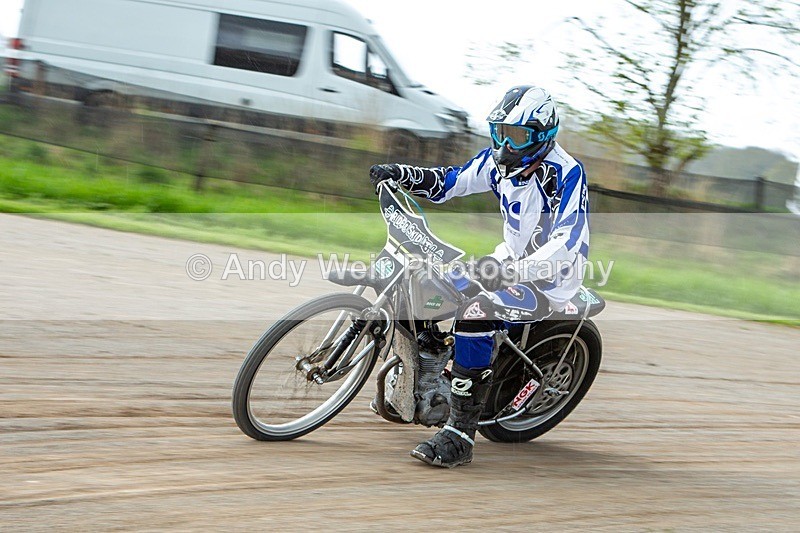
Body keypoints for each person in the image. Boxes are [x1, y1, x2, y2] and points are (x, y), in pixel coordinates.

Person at [369, 85, 590, 468]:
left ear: (543, 135)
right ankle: (427, 373)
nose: (505, 144)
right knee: (426, 283)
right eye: (499, 132)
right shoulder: (499, 161)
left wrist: (511, 272)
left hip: (549, 279)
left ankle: (459, 435)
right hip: (507, 262)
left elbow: (566, 241)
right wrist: (402, 174)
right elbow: (453, 181)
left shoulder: (566, 174)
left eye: (516, 136)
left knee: (473, 311)